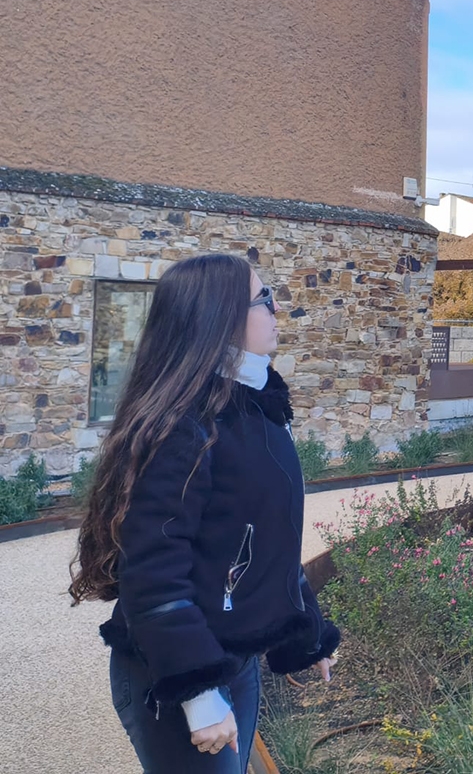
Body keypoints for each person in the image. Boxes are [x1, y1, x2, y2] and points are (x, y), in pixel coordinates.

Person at [69, 254, 340, 772]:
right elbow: (151, 571)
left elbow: (266, 542)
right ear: (218, 317)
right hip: (173, 671)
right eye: (263, 299)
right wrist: (198, 693)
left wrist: (306, 634)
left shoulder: (252, 408)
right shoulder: (183, 428)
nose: (277, 307)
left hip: (230, 659)